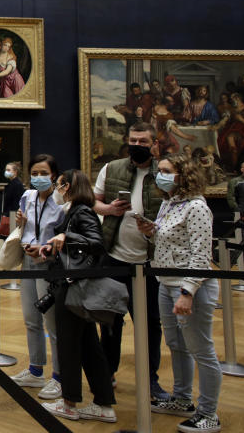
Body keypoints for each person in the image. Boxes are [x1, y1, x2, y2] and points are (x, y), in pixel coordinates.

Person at [138, 154, 222, 433]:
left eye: (166, 170)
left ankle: (209, 412)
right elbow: (174, 241)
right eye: (159, 170)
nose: (160, 175)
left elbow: (200, 254)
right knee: (176, 344)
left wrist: (188, 292)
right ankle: (182, 398)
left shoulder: (196, 207)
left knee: (202, 350)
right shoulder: (169, 203)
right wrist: (151, 232)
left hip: (191, 287)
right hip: (166, 281)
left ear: (183, 174)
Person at [92, 121, 170, 402]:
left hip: (151, 261)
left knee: (150, 323)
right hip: (114, 256)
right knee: (110, 320)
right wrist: (110, 209)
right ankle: (108, 372)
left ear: (154, 143)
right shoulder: (112, 168)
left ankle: (150, 379)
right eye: (133, 141)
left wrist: (155, 230)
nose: (137, 145)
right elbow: (93, 202)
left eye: (143, 141)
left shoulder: (164, 172)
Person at [38, 169, 117, 423]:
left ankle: (69, 402)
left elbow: (96, 243)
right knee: (88, 346)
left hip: (74, 287)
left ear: (68, 186)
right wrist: (50, 247)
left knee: (69, 346)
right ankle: (104, 404)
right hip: (74, 285)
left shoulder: (81, 211)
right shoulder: (74, 212)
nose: (55, 189)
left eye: (58, 184)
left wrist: (66, 236)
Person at [8, 154, 64, 400]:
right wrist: (21, 224)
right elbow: (25, 226)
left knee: (52, 323)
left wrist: (46, 249)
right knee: (31, 318)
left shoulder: (61, 200)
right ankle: (35, 369)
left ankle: (60, 377)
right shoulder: (27, 196)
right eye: (35, 173)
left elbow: (63, 233)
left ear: (54, 175)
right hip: (29, 259)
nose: (39, 178)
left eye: (44, 173)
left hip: (50, 263)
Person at [0, 161, 25, 236]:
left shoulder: (16, 184)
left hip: (12, 217)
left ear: (15, 172)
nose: (6, 172)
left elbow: (16, 203)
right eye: (5, 170)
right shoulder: (11, 184)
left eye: (8, 170)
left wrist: (7, 215)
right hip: (9, 215)